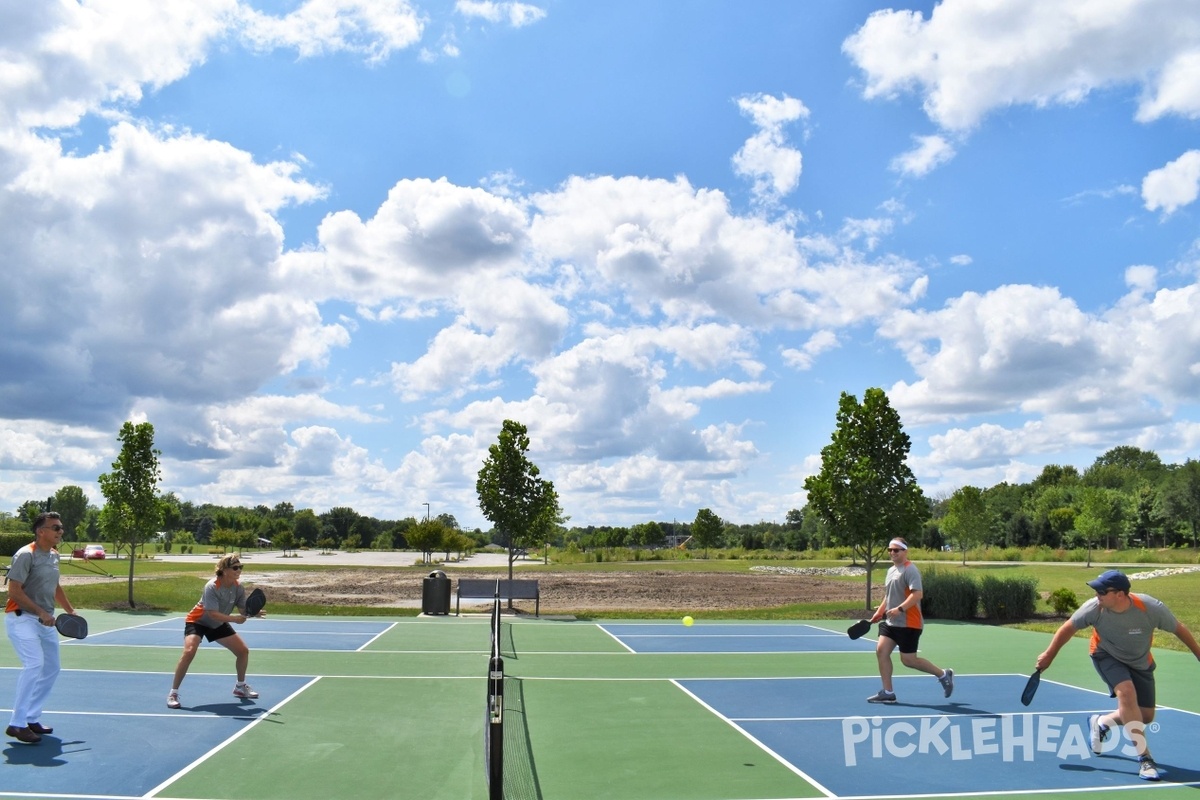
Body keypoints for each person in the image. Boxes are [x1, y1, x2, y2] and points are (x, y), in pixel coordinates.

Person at [1035, 569, 1200, 782]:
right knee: (1126, 693)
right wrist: (1049, 655)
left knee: (1146, 716)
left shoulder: (1150, 608)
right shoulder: (1094, 608)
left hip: (1140, 661)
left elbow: (1179, 629)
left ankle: (1102, 722)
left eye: (1102, 591)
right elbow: (1068, 628)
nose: (1097, 595)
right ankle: (1145, 758)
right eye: (1096, 590)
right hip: (1106, 654)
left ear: (1120, 594)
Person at [4, 512, 78, 744]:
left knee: (52, 667)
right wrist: (41, 612)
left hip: (45, 620)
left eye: (61, 527)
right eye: (55, 528)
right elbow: (14, 591)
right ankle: (17, 724)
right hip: (21, 618)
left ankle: (31, 716)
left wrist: (70, 611)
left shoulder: (54, 555)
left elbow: (55, 587)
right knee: (34, 664)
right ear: (41, 531)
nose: (60, 532)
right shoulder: (26, 555)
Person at [864, 537, 955, 703]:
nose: (892, 553)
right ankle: (888, 692)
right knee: (881, 651)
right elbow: (888, 595)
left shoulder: (910, 570)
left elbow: (917, 594)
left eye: (896, 550)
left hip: (909, 623)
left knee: (908, 660)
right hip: (891, 623)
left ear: (905, 551)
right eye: (890, 550)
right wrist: (880, 611)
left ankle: (943, 674)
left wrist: (900, 609)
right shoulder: (891, 570)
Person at [167, 553, 262, 709]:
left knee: (243, 651)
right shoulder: (212, 586)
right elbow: (211, 613)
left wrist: (253, 612)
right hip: (198, 621)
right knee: (189, 651)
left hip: (217, 623)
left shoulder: (238, 587)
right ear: (224, 570)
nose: (239, 570)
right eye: (235, 567)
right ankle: (173, 693)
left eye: (240, 567)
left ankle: (240, 687)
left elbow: (242, 608)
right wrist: (235, 619)